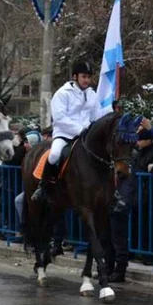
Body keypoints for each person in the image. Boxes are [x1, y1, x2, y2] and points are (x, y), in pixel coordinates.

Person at [31, 61, 105, 202]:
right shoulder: (62, 93)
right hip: (65, 134)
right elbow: (59, 119)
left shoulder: (92, 95)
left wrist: (110, 112)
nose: (87, 80)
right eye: (84, 77)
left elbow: (97, 116)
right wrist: (80, 129)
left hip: (86, 136)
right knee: (54, 155)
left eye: (89, 77)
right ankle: (43, 186)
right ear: (75, 77)